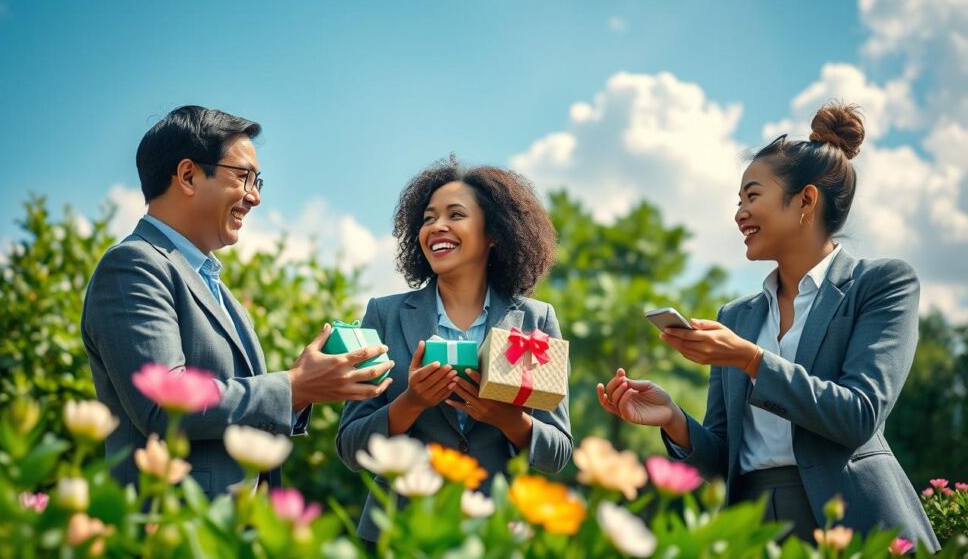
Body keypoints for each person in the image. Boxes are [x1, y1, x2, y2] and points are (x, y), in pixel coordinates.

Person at [597, 102, 939, 550]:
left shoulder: (881, 284)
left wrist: (751, 359)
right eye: (738, 201)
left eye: (752, 196)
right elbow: (723, 456)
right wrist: (675, 419)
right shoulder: (736, 316)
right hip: (753, 525)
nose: (739, 214)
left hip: (851, 521)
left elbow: (859, 415)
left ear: (806, 200)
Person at [82, 105, 394, 497]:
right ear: (188, 175)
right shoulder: (133, 265)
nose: (254, 197)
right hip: (170, 523)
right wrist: (295, 387)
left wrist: (303, 386)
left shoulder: (221, 292)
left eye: (258, 182)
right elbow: (164, 405)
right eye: (244, 177)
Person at [336, 157, 573, 543]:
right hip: (397, 535)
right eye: (428, 218)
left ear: (494, 233)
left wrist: (507, 419)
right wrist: (411, 402)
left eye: (455, 214)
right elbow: (350, 446)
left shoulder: (536, 320)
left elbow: (558, 453)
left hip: (496, 535)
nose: (436, 227)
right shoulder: (384, 315)